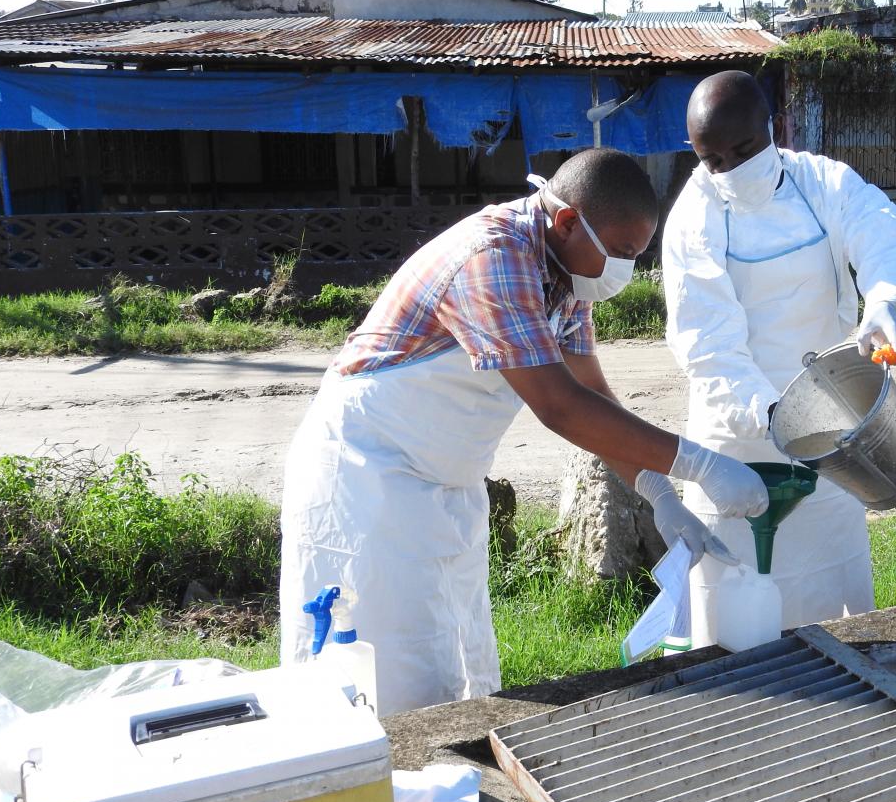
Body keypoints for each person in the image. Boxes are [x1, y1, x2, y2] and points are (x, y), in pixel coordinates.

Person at [280, 148, 766, 715]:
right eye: (622, 253)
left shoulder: (566, 276)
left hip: (445, 484)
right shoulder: (495, 256)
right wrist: (700, 465)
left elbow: (593, 397)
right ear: (566, 221)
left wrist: (659, 493)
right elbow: (559, 406)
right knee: (387, 682)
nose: (625, 270)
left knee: (460, 668)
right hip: (368, 479)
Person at [662, 70, 896, 648]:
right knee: (730, 616)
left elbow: (887, 242)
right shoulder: (692, 218)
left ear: (776, 128)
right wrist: (775, 416)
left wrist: (888, 304)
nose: (731, 169)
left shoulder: (824, 182)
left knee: (830, 613)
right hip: (733, 448)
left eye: (745, 149)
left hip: (831, 435)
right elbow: (710, 348)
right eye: (714, 159)